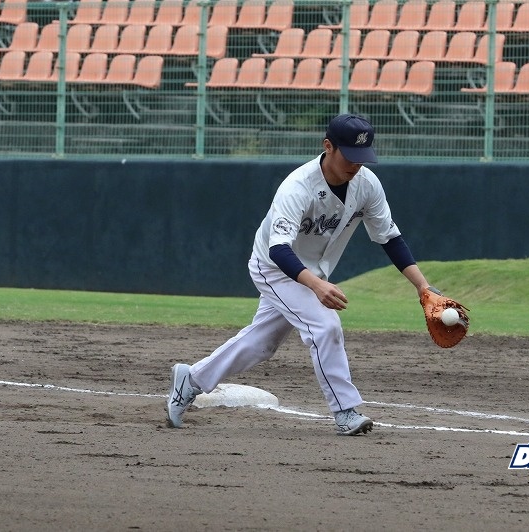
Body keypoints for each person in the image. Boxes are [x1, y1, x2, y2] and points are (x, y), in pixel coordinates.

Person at [165, 114, 434, 435]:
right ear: (328, 146)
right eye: (349, 155)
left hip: (313, 272)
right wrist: (316, 285)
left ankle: (191, 379)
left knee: (261, 344)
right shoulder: (297, 187)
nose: (357, 164)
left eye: (362, 156)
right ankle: (345, 411)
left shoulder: (367, 184)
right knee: (325, 326)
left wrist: (423, 287)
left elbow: (390, 238)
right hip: (274, 266)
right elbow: (279, 250)